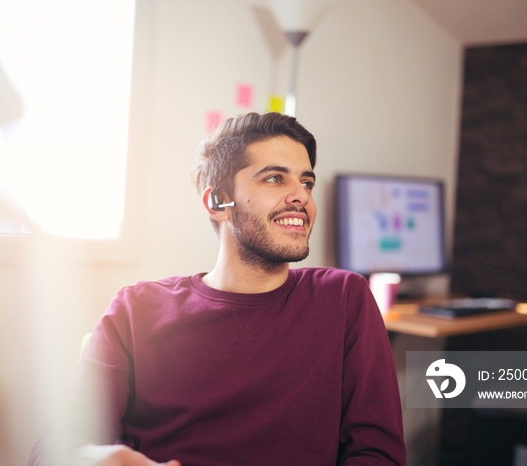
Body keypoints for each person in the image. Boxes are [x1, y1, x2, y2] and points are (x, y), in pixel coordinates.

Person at [29, 112, 406, 465]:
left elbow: (378, 453)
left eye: (306, 181)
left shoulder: (343, 298)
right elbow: (56, 450)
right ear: (216, 202)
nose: (302, 196)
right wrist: (98, 458)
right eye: (275, 178)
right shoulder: (137, 309)